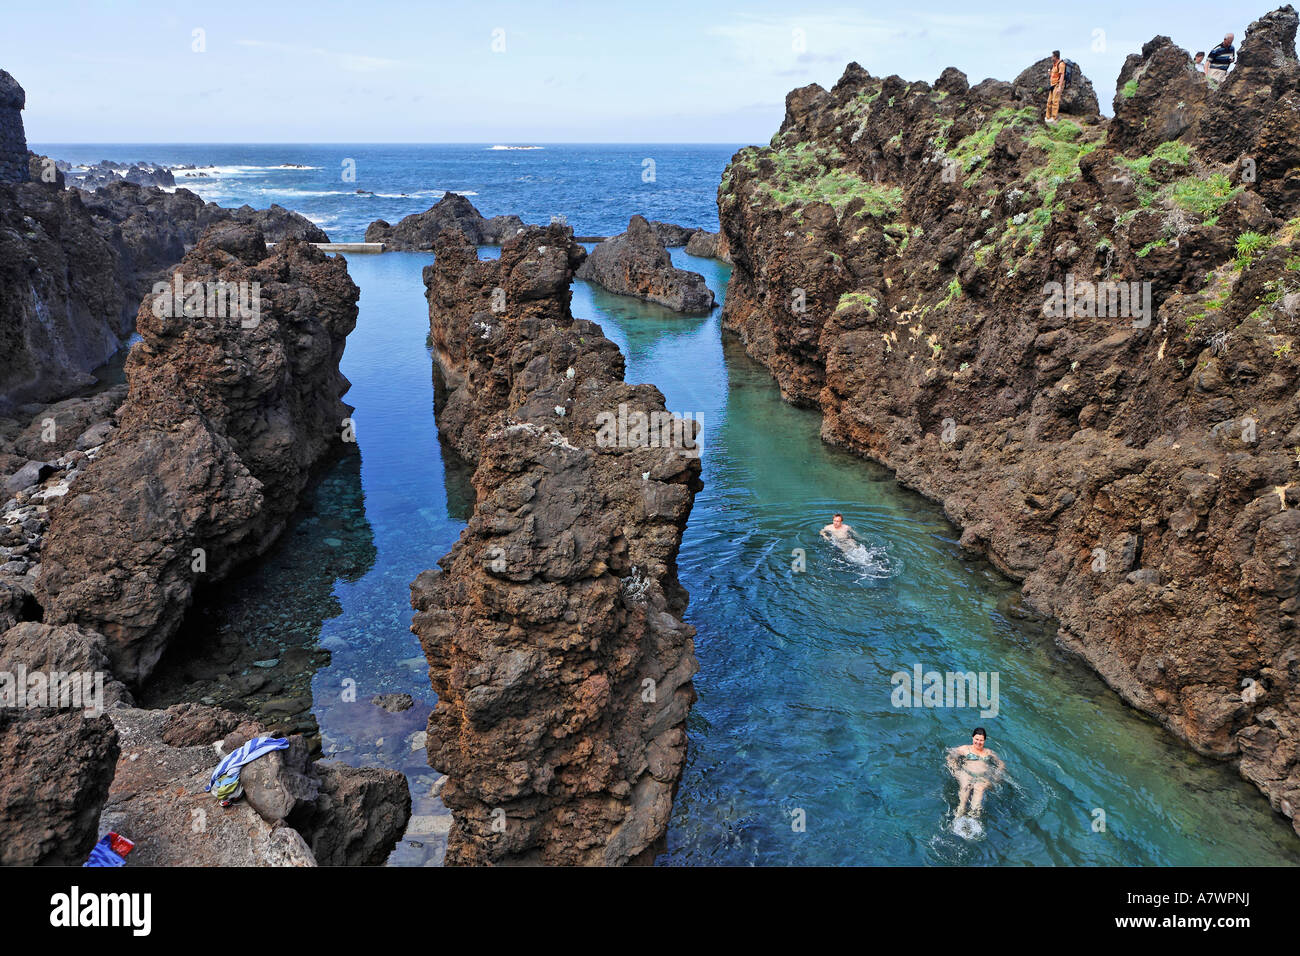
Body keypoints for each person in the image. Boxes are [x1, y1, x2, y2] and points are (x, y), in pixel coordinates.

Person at [947, 727, 1005, 818]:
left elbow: (1001, 764)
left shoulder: (988, 752)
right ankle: (959, 815)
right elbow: (950, 756)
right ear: (972, 738)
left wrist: (996, 774)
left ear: (985, 740)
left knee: (979, 788)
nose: (978, 742)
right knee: (965, 790)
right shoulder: (965, 749)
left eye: (981, 740)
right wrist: (955, 770)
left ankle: (973, 817)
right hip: (966, 774)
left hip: (982, 777)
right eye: (976, 739)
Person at [1045, 50, 1066, 124]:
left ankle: (1054, 118)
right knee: (1049, 101)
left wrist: (1060, 87)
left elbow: (1062, 75)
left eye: (1052, 56)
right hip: (1052, 85)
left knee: (1055, 101)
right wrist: (1050, 73)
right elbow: (1054, 75)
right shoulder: (1054, 65)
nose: (1051, 57)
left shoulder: (1061, 64)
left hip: (1057, 85)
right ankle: (1047, 117)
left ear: (1055, 57)